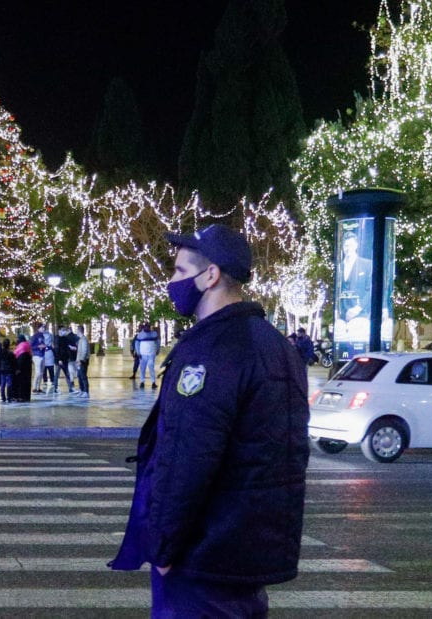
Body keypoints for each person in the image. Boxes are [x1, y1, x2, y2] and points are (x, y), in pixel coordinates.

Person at [110, 224, 309, 617]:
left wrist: (163, 547)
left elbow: (186, 455)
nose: (173, 282)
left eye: (181, 272)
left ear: (211, 275)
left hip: (203, 558)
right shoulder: (276, 345)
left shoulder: (210, 350)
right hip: (250, 554)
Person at [135, 322, 160, 389]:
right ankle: (142, 382)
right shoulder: (140, 335)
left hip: (151, 354)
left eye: (148, 327)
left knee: (151, 368)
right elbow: (137, 344)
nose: (147, 328)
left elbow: (157, 342)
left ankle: (153, 382)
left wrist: (158, 349)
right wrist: (138, 353)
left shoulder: (154, 334)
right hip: (143, 354)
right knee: (143, 369)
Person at [11, 334, 32, 402]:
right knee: (26, 383)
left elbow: (20, 359)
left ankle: (21, 397)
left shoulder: (21, 346)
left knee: (21, 383)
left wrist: (18, 369)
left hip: (21, 370)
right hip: (28, 369)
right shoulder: (27, 345)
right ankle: (26, 397)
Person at [54, 327, 75, 393]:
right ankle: (55, 388)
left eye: (64, 330)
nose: (64, 332)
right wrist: (59, 359)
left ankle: (70, 388)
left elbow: (67, 347)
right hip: (59, 360)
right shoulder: (57, 339)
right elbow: (57, 350)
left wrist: (71, 348)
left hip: (65, 359)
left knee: (67, 374)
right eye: (63, 330)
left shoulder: (65, 338)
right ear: (59, 331)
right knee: (57, 374)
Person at [30, 322, 47, 393]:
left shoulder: (42, 336)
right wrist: (38, 347)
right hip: (36, 355)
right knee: (38, 372)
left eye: (44, 327)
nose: (44, 329)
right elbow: (31, 346)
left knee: (41, 372)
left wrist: (44, 346)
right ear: (39, 328)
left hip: (42, 355)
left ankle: (38, 387)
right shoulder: (35, 336)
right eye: (42, 327)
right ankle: (34, 387)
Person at [75, 325, 90, 397]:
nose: (76, 332)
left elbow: (84, 351)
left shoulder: (83, 339)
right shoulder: (81, 339)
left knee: (83, 376)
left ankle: (86, 391)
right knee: (79, 375)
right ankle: (82, 390)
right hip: (79, 361)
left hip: (82, 361)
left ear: (79, 331)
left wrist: (81, 360)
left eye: (77, 330)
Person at [0, 338, 16, 402]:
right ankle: (9, 397)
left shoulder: (0, 352)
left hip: (2, 370)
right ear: (9, 345)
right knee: (9, 384)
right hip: (9, 370)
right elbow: (14, 362)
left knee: (2, 384)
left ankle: (3, 397)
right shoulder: (11, 353)